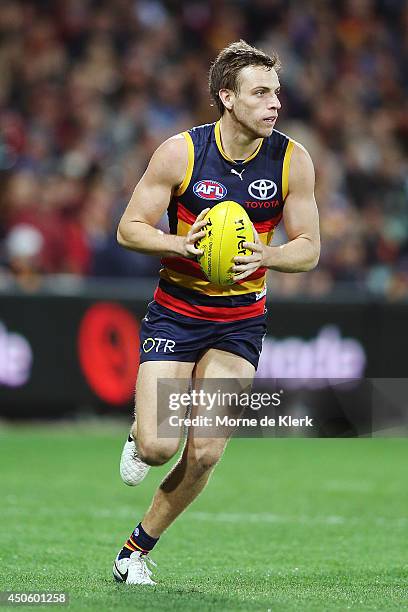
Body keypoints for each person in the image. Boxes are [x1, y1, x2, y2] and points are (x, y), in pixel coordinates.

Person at [113, 40, 320, 585]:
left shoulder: (293, 159)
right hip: (177, 311)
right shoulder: (180, 152)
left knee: (205, 452)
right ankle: (139, 436)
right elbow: (127, 229)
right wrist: (179, 245)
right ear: (227, 97)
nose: (274, 102)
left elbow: (310, 246)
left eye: (277, 91)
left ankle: (135, 551)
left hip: (240, 320)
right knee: (160, 446)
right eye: (260, 92)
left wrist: (269, 254)